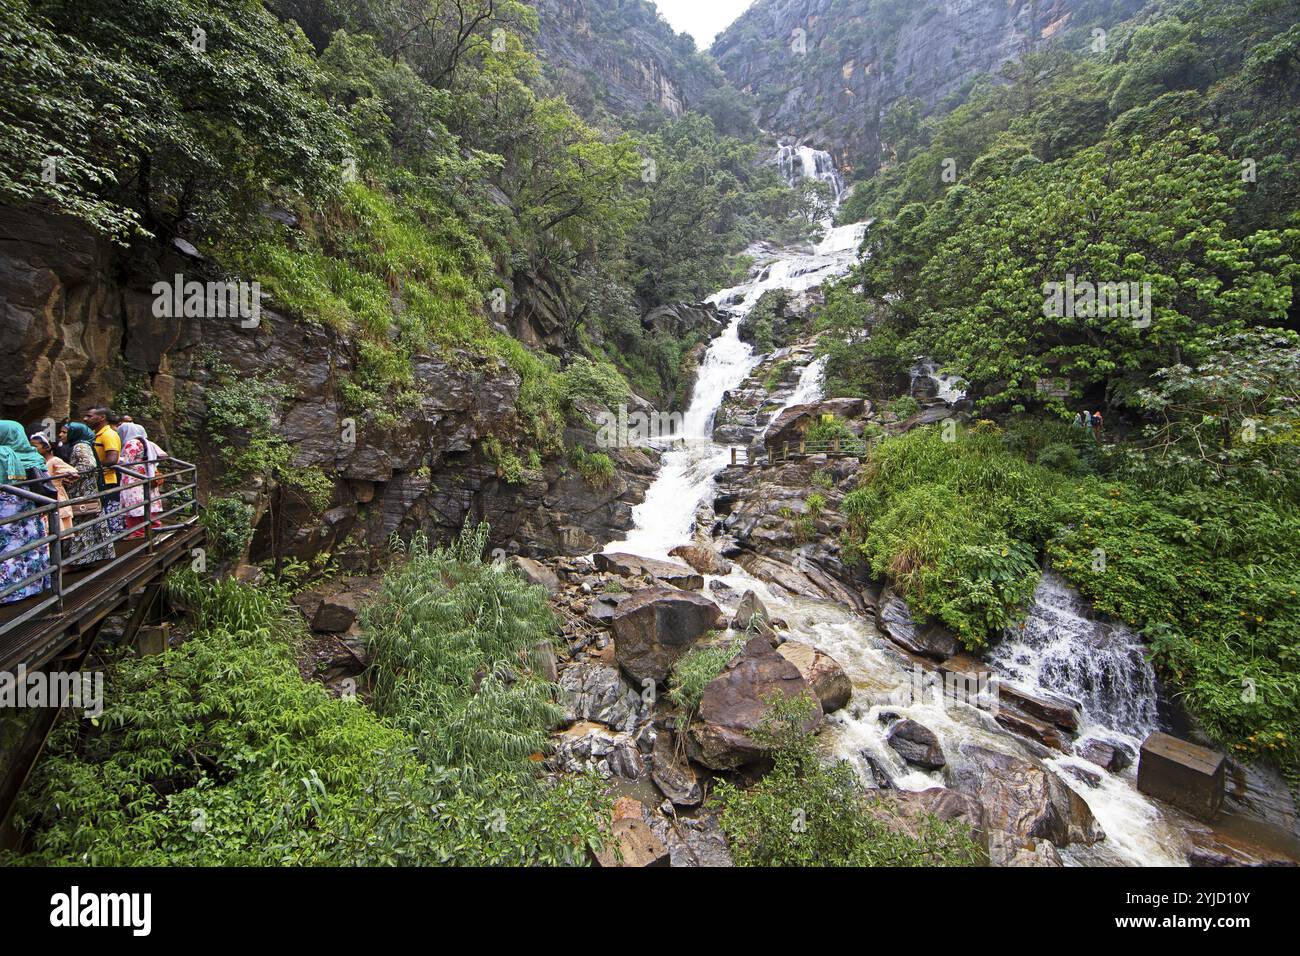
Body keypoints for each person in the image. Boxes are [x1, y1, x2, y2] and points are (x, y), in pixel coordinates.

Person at [0, 420, 52, 604]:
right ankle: (31, 585)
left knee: (7, 549)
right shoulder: (33, 455)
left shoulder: (2, 455)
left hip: (5, 510)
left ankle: (9, 591)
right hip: (28, 507)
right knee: (27, 546)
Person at [61, 423, 115, 565]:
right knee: (87, 525)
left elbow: (89, 465)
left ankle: (80, 561)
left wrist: (69, 475)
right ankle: (87, 558)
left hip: (82, 491)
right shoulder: (81, 444)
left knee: (81, 525)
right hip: (86, 490)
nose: (60, 435)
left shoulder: (80, 446)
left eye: (64, 432)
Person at [116, 422, 162, 539]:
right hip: (147, 476)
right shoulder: (147, 442)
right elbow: (163, 455)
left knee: (134, 504)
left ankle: (138, 532)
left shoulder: (131, 443)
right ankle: (154, 527)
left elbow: (126, 461)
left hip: (133, 478)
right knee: (147, 502)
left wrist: (112, 460)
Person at [84, 406, 123, 536]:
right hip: (97, 479)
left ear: (102, 418)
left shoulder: (109, 435)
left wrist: (90, 466)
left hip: (106, 479)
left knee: (107, 511)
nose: (85, 419)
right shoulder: (96, 434)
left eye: (89, 416)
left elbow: (112, 459)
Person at [29, 432, 77, 533]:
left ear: (47, 447)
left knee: (59, 527)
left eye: (35, 446)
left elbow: (73, 472)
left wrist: (63, 479)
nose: (32, 448)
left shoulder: (54, 461)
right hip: (45, 495)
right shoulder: (37, 461)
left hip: (56, 495)